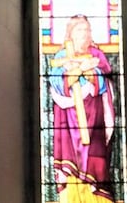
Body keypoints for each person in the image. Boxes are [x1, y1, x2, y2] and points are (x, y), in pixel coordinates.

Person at [48, 15, 115, 203]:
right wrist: (73, 74)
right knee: (71, 163)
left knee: (96, 160)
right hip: (68, 121)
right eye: (80, 30)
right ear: (71, 34)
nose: (85, 35)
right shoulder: (61, 57)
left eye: (87, 30)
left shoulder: (97, 56)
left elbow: (105, 83)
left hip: (94, 118)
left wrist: (90, 71)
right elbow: (56, 84)